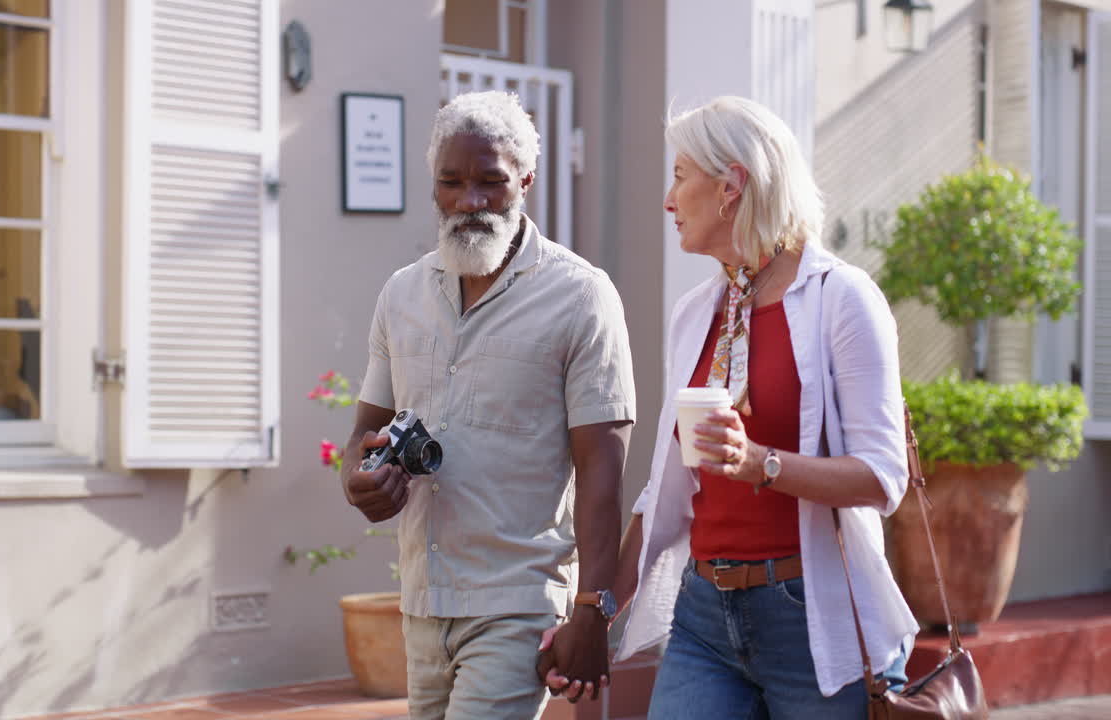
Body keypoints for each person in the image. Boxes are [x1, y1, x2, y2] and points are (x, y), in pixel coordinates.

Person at [600, 96, 918, 718]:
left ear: (730, 186)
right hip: (702, 614)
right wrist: (600, 607)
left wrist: (760, 463)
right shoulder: (696, 312)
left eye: (680, 176)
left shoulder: (842, 299)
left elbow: (884, 478)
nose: (668, 200)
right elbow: (667, 489)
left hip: (812, 614)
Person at [340, 90, 636, 720]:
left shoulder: (581, 297)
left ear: (525, 180)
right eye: (452, 182)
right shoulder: (401, 294)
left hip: (516, 601)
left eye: (490, 182)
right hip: (422, 598)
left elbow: (603, 476)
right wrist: (360, 480)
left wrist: (593, 609)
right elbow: (363, 433)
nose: (469, 201)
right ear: (434, 186)